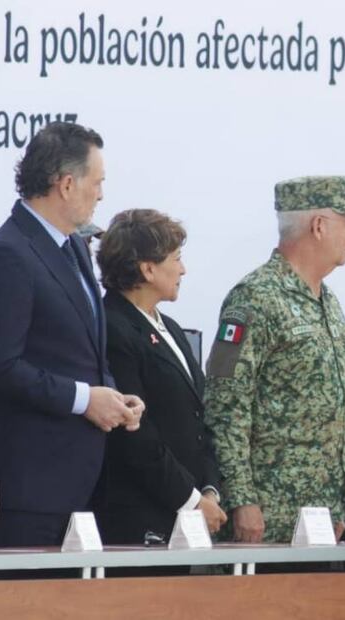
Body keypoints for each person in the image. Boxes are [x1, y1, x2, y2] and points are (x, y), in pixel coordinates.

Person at [0, 122, 144, 548]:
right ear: (66, 184)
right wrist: (86, 399)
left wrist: (115, 397)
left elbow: (86, 353)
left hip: (83, 485)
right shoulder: (9, 254)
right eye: (97, 182)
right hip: (31, 490)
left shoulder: (76, 248)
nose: (102, 194)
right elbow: (0, 366)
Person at [204, 176, 345, 544]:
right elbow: (225, 406)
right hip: (270, 515)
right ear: (319, 226)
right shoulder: (254, 299)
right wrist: (243, 499)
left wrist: (341, 505)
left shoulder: (329, 301)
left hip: (324, 517)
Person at [95, 209, 226, 545]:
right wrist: (191, 500)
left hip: (187, 516)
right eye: (176, 258)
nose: (183, 269)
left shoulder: (171, 329)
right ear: (148, 269)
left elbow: (199, 416)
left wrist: (209, 489)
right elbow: (135, 434)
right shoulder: (114, 328)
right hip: (141, 518)